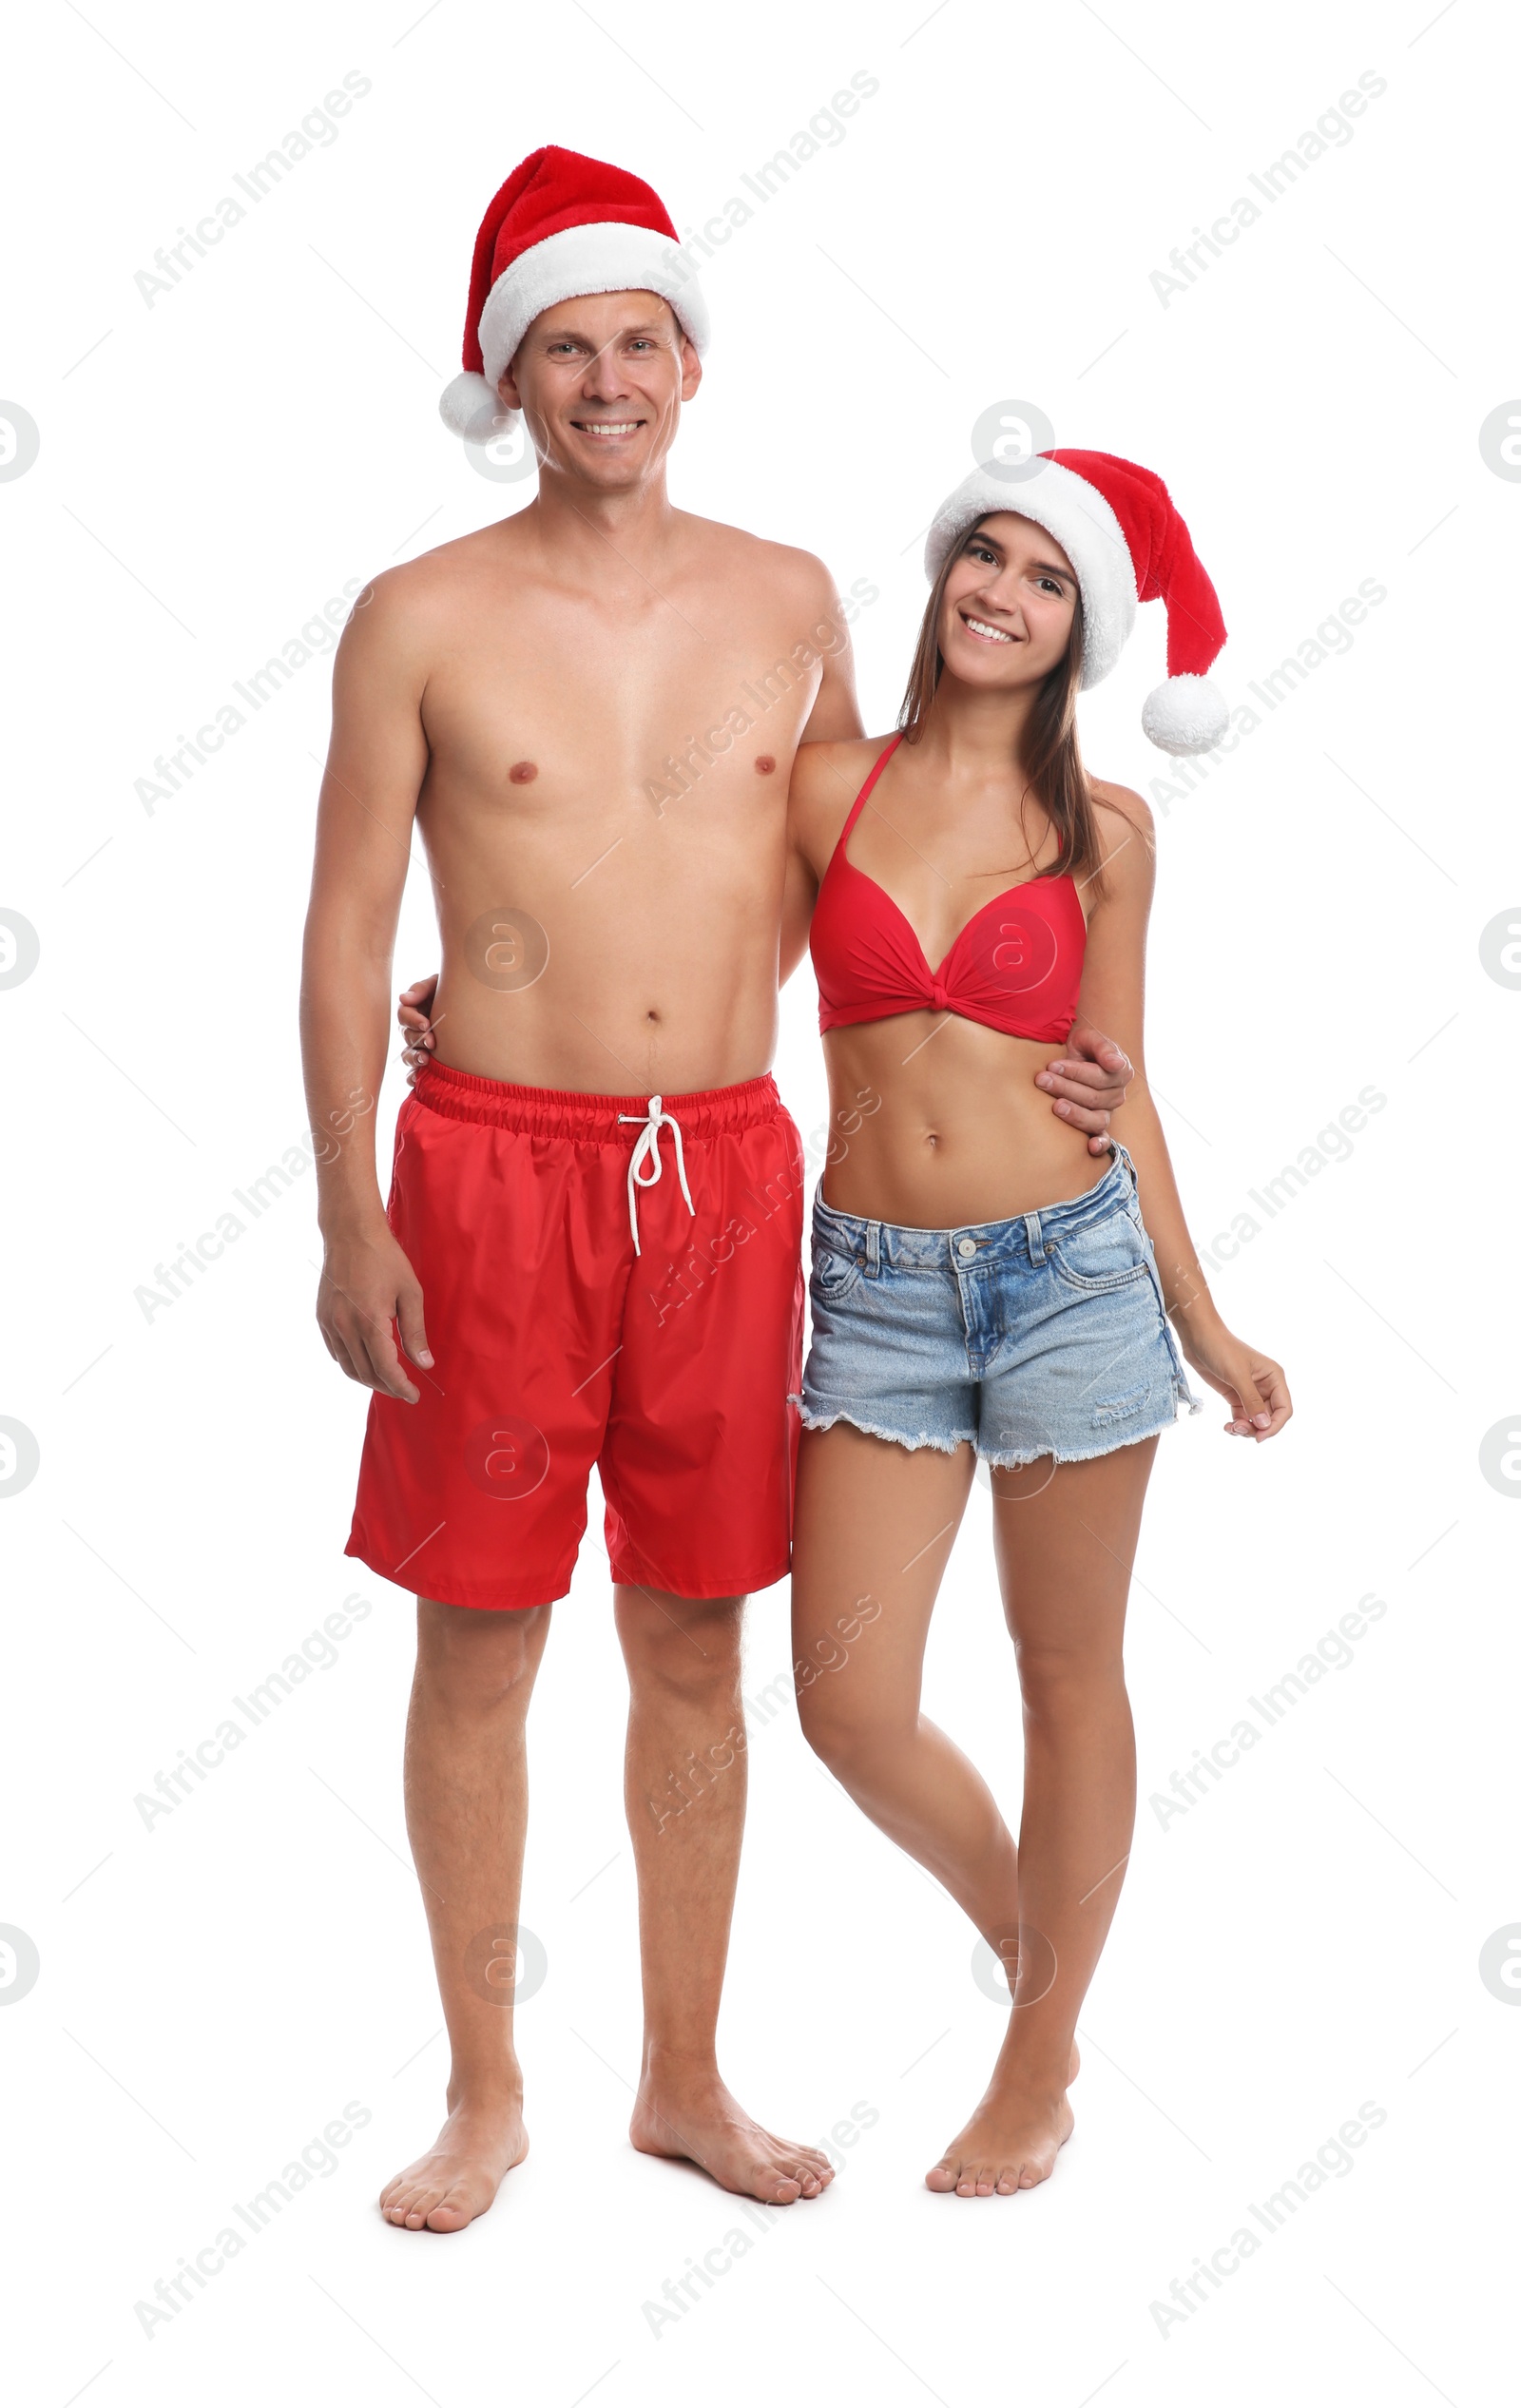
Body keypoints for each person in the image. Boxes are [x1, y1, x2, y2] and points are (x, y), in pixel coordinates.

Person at [301, 147, 1136, 2235]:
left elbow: (851, 871)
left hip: (728, 1180)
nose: (606, 379)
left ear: (691, 362)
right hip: (485, 1176)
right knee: (476, 1639)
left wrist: (1048, 1024)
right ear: (512, 377)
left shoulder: (784, 600)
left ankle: (679, 2076)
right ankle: (485, 2093)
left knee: (694, 1644)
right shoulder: (418, 614)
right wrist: (347, 1205)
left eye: (637, 341)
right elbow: (337, 929)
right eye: (563, 348)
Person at [783, 449, 1291, 2198]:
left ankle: (1040, 2054)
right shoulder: (821, 788)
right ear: (939, 580)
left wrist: (1204, 1322)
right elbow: (700, 977)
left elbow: (1122, 1086)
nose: (1001, 590)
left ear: (1086, 628)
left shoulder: (1109, 832)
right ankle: (1032, 1933)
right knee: (847, 1703)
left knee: (1069, 1678)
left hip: (1069, 1279)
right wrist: (483, 999)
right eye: (981, 557)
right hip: (874, 1290)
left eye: (1046, 576)